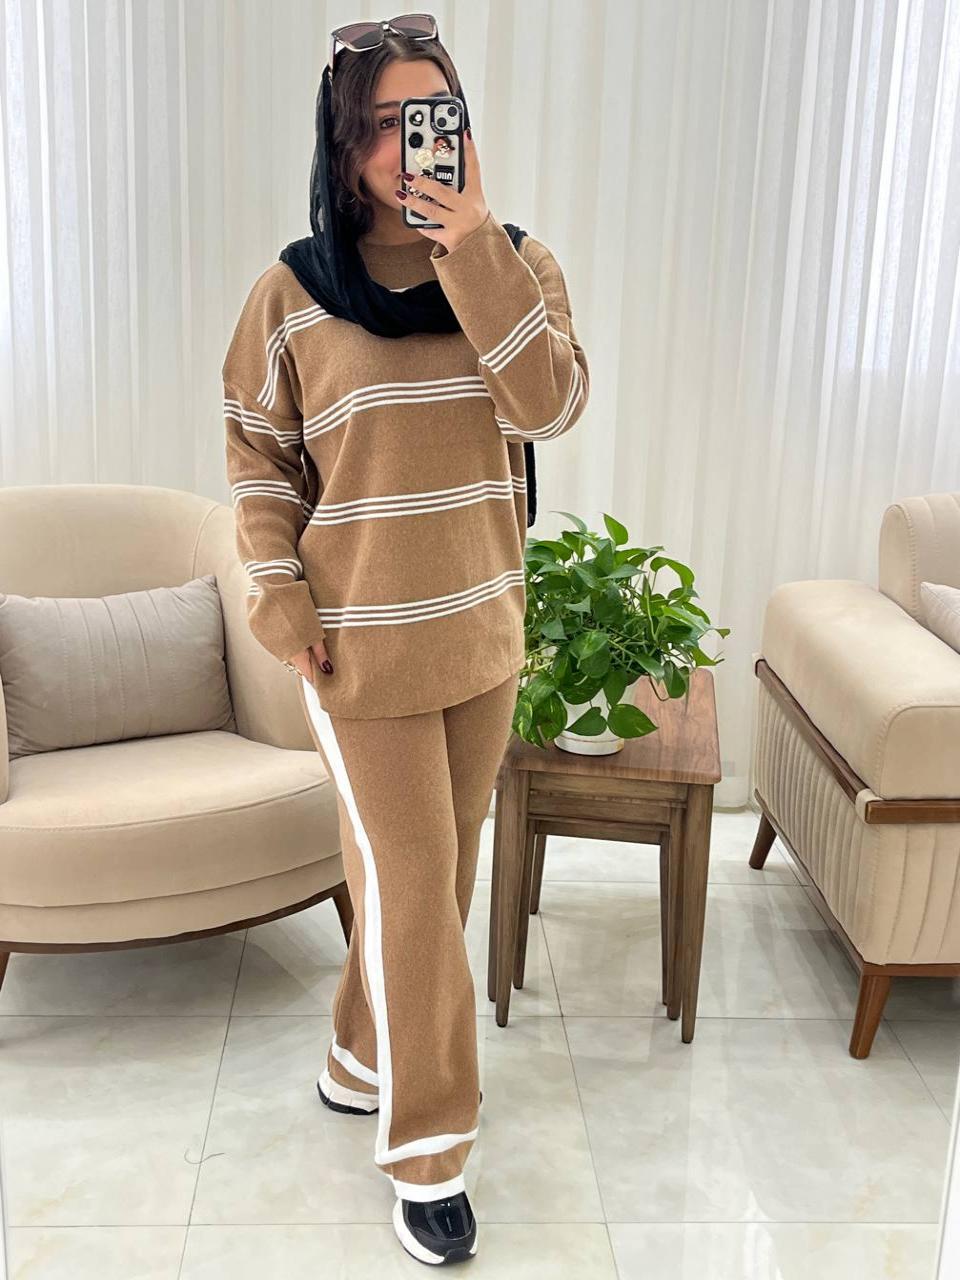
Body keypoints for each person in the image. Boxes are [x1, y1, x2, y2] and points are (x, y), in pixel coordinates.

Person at [222, 13, 589, 1266]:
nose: (408, 144)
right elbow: (259, 459)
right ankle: (430, 1150)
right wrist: (279, 600)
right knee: (419, 891)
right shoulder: (291, 292)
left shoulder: (517, 264)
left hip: (479, 633)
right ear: (343, 142)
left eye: (432, 116)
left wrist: (471, 244)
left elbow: (549, 403)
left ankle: (354, 1050)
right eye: (382, 123)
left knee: (431, 877)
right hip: (357, 650)